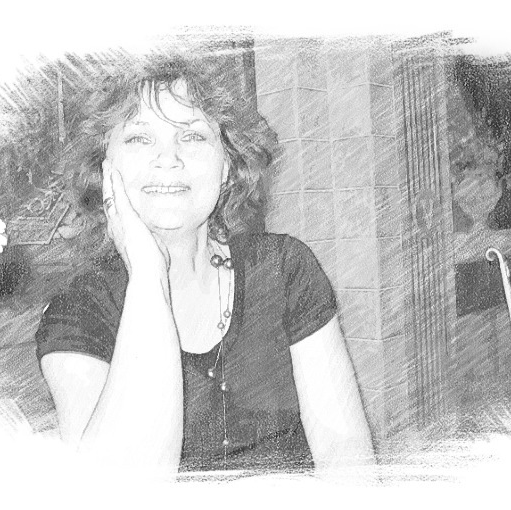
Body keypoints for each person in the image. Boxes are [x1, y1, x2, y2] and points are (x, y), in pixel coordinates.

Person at [35, 53, 375, 479]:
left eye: (192, 136)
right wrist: (147, 273)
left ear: (227, 167)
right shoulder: (79, 311)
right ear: (105, 171)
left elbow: (349, 461)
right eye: (140, 138)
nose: (168, 158)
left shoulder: (285, 270)